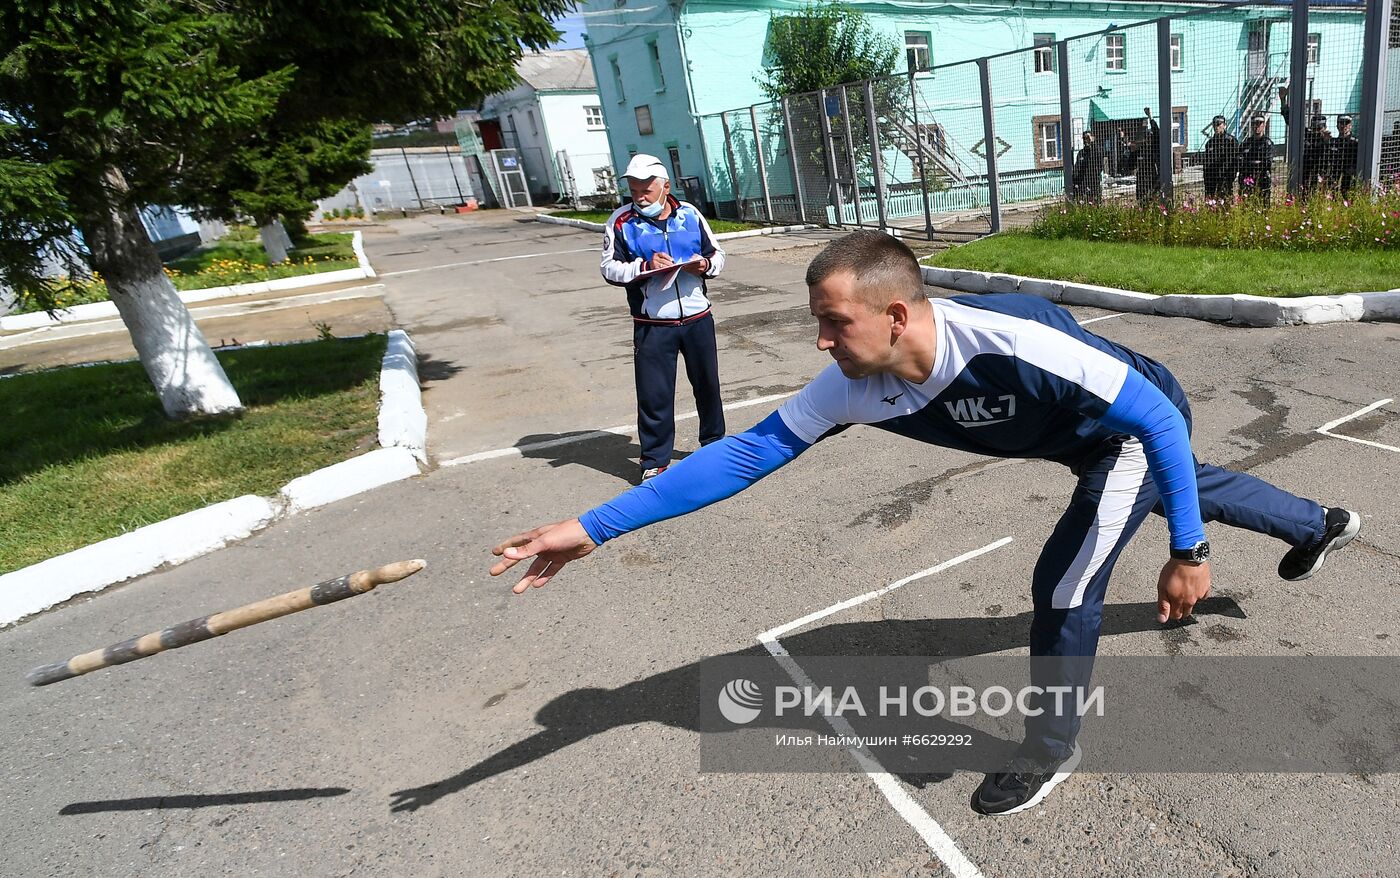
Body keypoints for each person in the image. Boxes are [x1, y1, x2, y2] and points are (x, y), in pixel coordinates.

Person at [491, 231, 1361, 816]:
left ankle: (1050, 746)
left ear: (895, 315)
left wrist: (1188, 554)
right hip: (1072, 437)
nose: (820, 342)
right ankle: (1318, 523)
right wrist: (594, 527)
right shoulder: (853, 384)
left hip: (1130, 426)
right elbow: (745, 458)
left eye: (833, 322)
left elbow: (1163, 427)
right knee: (1171, 488)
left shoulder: (1010, 342)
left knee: (1064, 581)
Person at [601, 154, 728, 482]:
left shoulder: (690, 213)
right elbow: (609, 268)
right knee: (654, 394)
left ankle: (714, 444)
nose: (640, 195)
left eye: (646, 188)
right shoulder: (621, 221)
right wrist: (645, 267)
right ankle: (655, 460)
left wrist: (704, 266)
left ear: (665, 186)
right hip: (653, 325)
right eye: (634, 189)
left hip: (698, 317)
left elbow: (717, 254)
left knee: (707, 386)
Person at [1202, 115, 1240, 201]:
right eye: (1214, 124)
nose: (1216, 127)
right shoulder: (1210, 143)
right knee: (1210, 204)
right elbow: (1206, 163)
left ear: (1224, 125)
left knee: (1225, 204)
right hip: (1211, 180)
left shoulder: (1231, 141)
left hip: (1225, 179)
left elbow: (1235, 162)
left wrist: (1230, 178)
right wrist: (1206, 178)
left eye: (1219, 124)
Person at [1239, 114, 1274, 203]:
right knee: (1247, 205)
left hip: (1263, 180)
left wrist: (1250, 163)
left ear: (1264, 125)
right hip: (1247, 180)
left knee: (1263, 205)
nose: (1257, 126)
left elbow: (1267, 162)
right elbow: (1240, 161)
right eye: (1255, 123)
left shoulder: (1267, 143)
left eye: (1260, 123)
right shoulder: (1246, 143)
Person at [1133, 108, 1161, 206]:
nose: (1149, 138)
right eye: (1147, 136)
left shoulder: (1156, 148)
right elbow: (1131, 164)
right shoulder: (1141, 149)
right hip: (1142, 184)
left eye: (1151, 136)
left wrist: (1150, 117)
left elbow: (1156, 132)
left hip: (1154, 181)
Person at [1071, 130, 1105, 204]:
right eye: (1084, 138)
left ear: (1093, 138)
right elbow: (1077, 168)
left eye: (1088, 138)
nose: (1086, 140)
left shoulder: (1096, 151)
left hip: (1093, 184)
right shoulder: (1081, 153)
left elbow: (1100, 166)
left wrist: (1092, 142)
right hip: (1082, 185)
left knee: (1094, 205)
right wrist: (1074, 183)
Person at [1333, 115, 1359, 195]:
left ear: (1350, 125)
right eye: (1341, 123)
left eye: (1346, 123)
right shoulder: (1333, 142)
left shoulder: (1356, 143)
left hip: (1349, 180)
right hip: (1335, 179)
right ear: (1337, 125)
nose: (1343, 126)